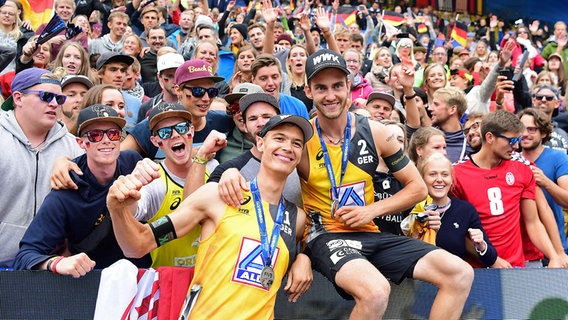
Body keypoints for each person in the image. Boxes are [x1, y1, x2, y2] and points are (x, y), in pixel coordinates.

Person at [219, 49, 473, 319]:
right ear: (308, 90)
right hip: (325, 236)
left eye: (337, 86)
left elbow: (418, 188)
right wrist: (229, 173)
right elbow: (263, 163)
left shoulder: (376, 132)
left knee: (459, 273)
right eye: (321, 88)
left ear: (349, 86)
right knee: (375, 292)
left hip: (370, 232)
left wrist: (372, 211)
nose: (330, 96)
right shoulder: (303, 139)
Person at [106, 114, 314, 318]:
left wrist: (304, 258)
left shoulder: (296, 219)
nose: (288, 147)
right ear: (260, 143)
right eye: (279, 138)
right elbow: (138, 244)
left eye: (296, 143)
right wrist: (116, 208)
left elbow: (309, 245)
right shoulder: (216, 196)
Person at [13, 105, 151, 275]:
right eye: (95, 135)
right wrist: (56, 263)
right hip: (90, 283)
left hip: (140, 278)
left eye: (113, 133)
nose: (106, 140)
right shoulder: (67, 190)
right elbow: (25, 256)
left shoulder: (133, 162)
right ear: (80, 143)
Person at [452, 110, 563, 268]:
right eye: (511, 140)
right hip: (477, 270)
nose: (516, 146)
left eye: (518, 139)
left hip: (514, 268)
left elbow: (533, 222)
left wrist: (554, 255)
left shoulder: (522, 170)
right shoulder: (457, 174)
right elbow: (456, 230)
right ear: (490, 137)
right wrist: (492, 259)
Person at [0, 68, 84, 267]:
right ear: (18, 98)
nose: (54, 104)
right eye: (46, 96)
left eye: (60, 99)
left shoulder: (73, 147)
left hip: (47, 265)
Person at [131, 102, 226, 267]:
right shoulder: (153, 178)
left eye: (181, 128)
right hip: (168, 282)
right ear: (155, 141)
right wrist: (128, 191)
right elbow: (133, 213)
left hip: (208, 279)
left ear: (191, 131)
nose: (175, 135)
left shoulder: (213, 167)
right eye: (165, 132)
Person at [408, 153, 498, 268]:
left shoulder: (465, 210)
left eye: (445, 174)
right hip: (418, 281)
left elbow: (490, 259)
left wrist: (481, 245)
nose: (439, 180)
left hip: (455, 280)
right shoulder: (411, 208)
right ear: (423, 178)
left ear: (451, 179)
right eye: (432, 174)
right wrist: (416, 232)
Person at [518, 108, 568, 254]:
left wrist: (545, 182)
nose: (525, 134)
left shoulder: (558, 157)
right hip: (521, 247)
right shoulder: (511, 159)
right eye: (521, 129)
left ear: (544, 133)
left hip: (553, 244)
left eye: (532, 129)